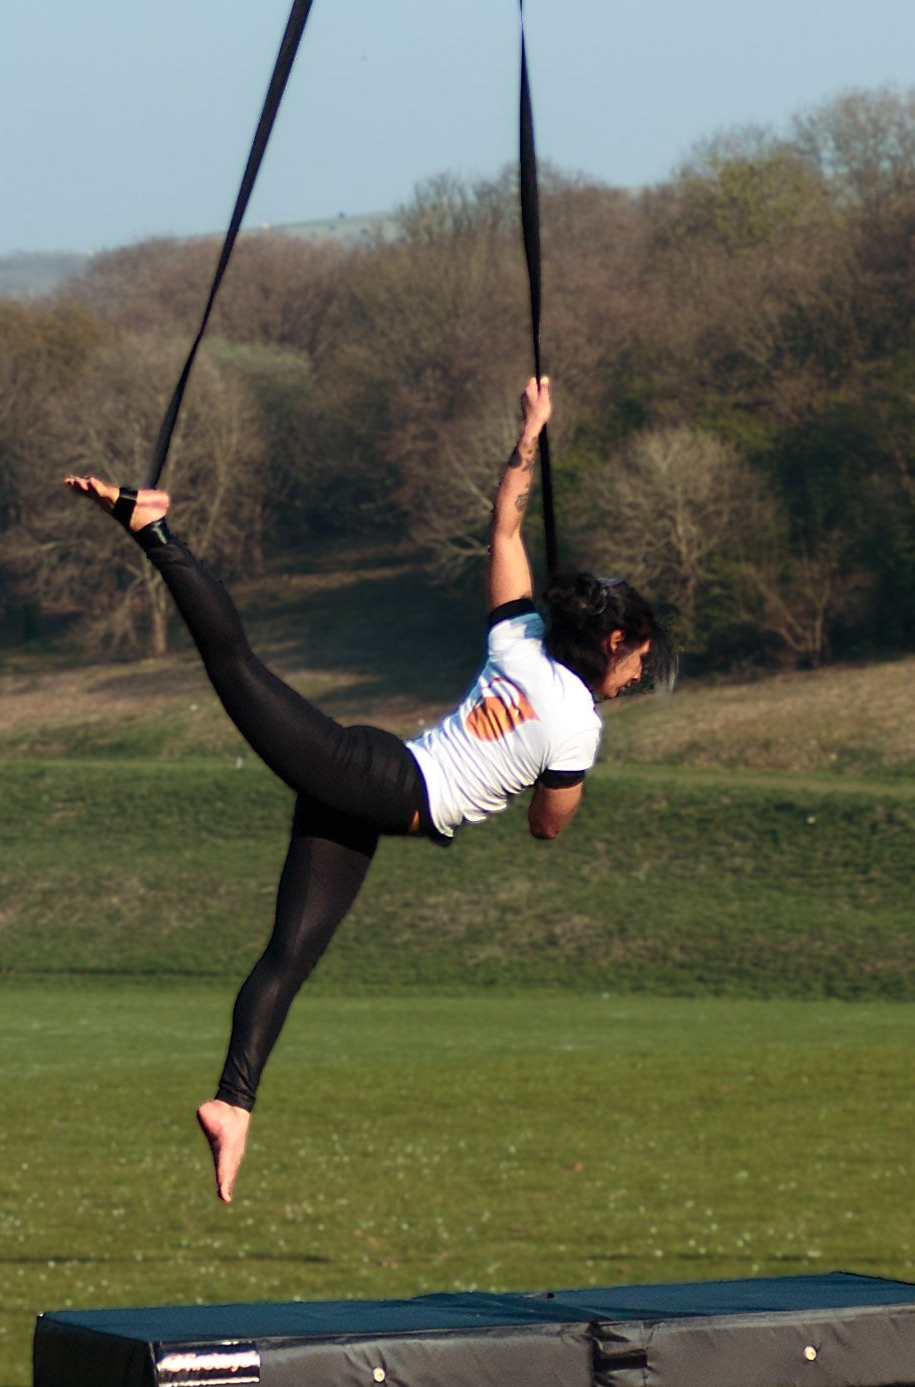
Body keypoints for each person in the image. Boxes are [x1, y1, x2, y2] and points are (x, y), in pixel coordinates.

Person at [66, 377, 675, 1203]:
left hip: (372, 791)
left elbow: (504, 526)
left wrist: (529, 433)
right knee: (236, 666)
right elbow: (547, 827)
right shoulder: (576, 725)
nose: (637, 676)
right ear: (613, 640)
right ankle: (154, 529)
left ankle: (232, 1106)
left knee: (291, 954)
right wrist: (566, 765)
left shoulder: (522, 639)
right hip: (376, 781)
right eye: (639, 660)